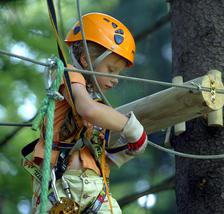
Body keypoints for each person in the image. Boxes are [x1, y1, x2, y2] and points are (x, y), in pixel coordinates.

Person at [29, 12, 148, 213]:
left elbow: (100, 153)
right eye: (111, 69)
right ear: (85, 60)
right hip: (61, 187)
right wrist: (132, 128)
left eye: (118, 73)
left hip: (96, 190)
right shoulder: (68, 75)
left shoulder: (99, 105)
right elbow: (87, 110)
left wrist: (124, 152)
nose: (116, 79)